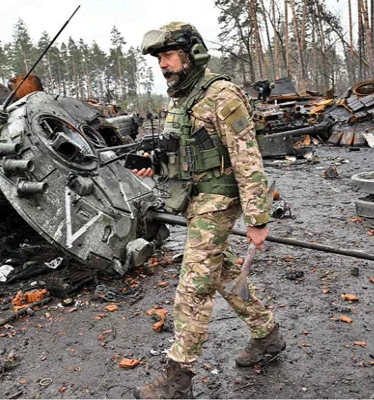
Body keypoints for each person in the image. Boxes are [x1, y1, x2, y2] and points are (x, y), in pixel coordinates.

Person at [132, 22, 286, 399]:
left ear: (190, 53)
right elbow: (185, 151)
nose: (162, 64)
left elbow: (248, 159)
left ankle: (177, 378)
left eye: (167, 56)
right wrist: (153, 161)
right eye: (159, 58)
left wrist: (257, 219)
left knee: (194, 286)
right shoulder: (181, 98)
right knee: (220, 271)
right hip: (195, 199)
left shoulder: (221, 94)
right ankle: (267, 334)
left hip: (218, 200)